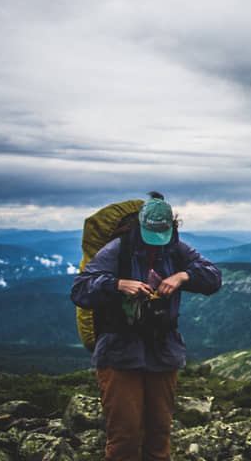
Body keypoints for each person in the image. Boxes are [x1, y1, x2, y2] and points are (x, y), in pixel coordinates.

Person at [71, 192, 222, 461]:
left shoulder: (176, 248)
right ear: (138, 227)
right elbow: (81, 290)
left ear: (172, 227)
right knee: (125, 436)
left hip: (162, 350)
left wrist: (183, 276)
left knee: (159, 433)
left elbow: (213, 277)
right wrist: (117, 285)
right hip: (119, 351)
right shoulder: (118, 249)